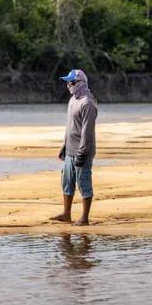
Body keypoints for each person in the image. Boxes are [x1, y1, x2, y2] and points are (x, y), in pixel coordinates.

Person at [50, 68, 98, 226]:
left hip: (82, 151)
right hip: (70, 149)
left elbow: (87, 132)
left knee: (83, 182)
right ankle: (66, 213)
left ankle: (85, 218)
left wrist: (82, 153)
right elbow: (69, 126)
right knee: (67, 181)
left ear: (80, 83)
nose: (68, 85)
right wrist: (64, 146)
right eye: (67, 82)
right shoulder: (73, 100)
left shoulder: (88, 103)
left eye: (71, 82)